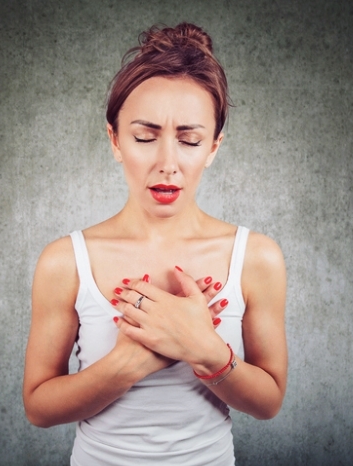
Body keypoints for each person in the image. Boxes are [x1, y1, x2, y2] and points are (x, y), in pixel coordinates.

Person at [23, 22, 287, 465]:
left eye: (189, 140)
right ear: (115, 140)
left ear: (213, 147)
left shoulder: (257, 257)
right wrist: (130, 363)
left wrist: (205, 351)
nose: (167, 163)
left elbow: (269, 402)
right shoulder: (64, 261)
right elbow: (38, 407)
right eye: (144, 137)